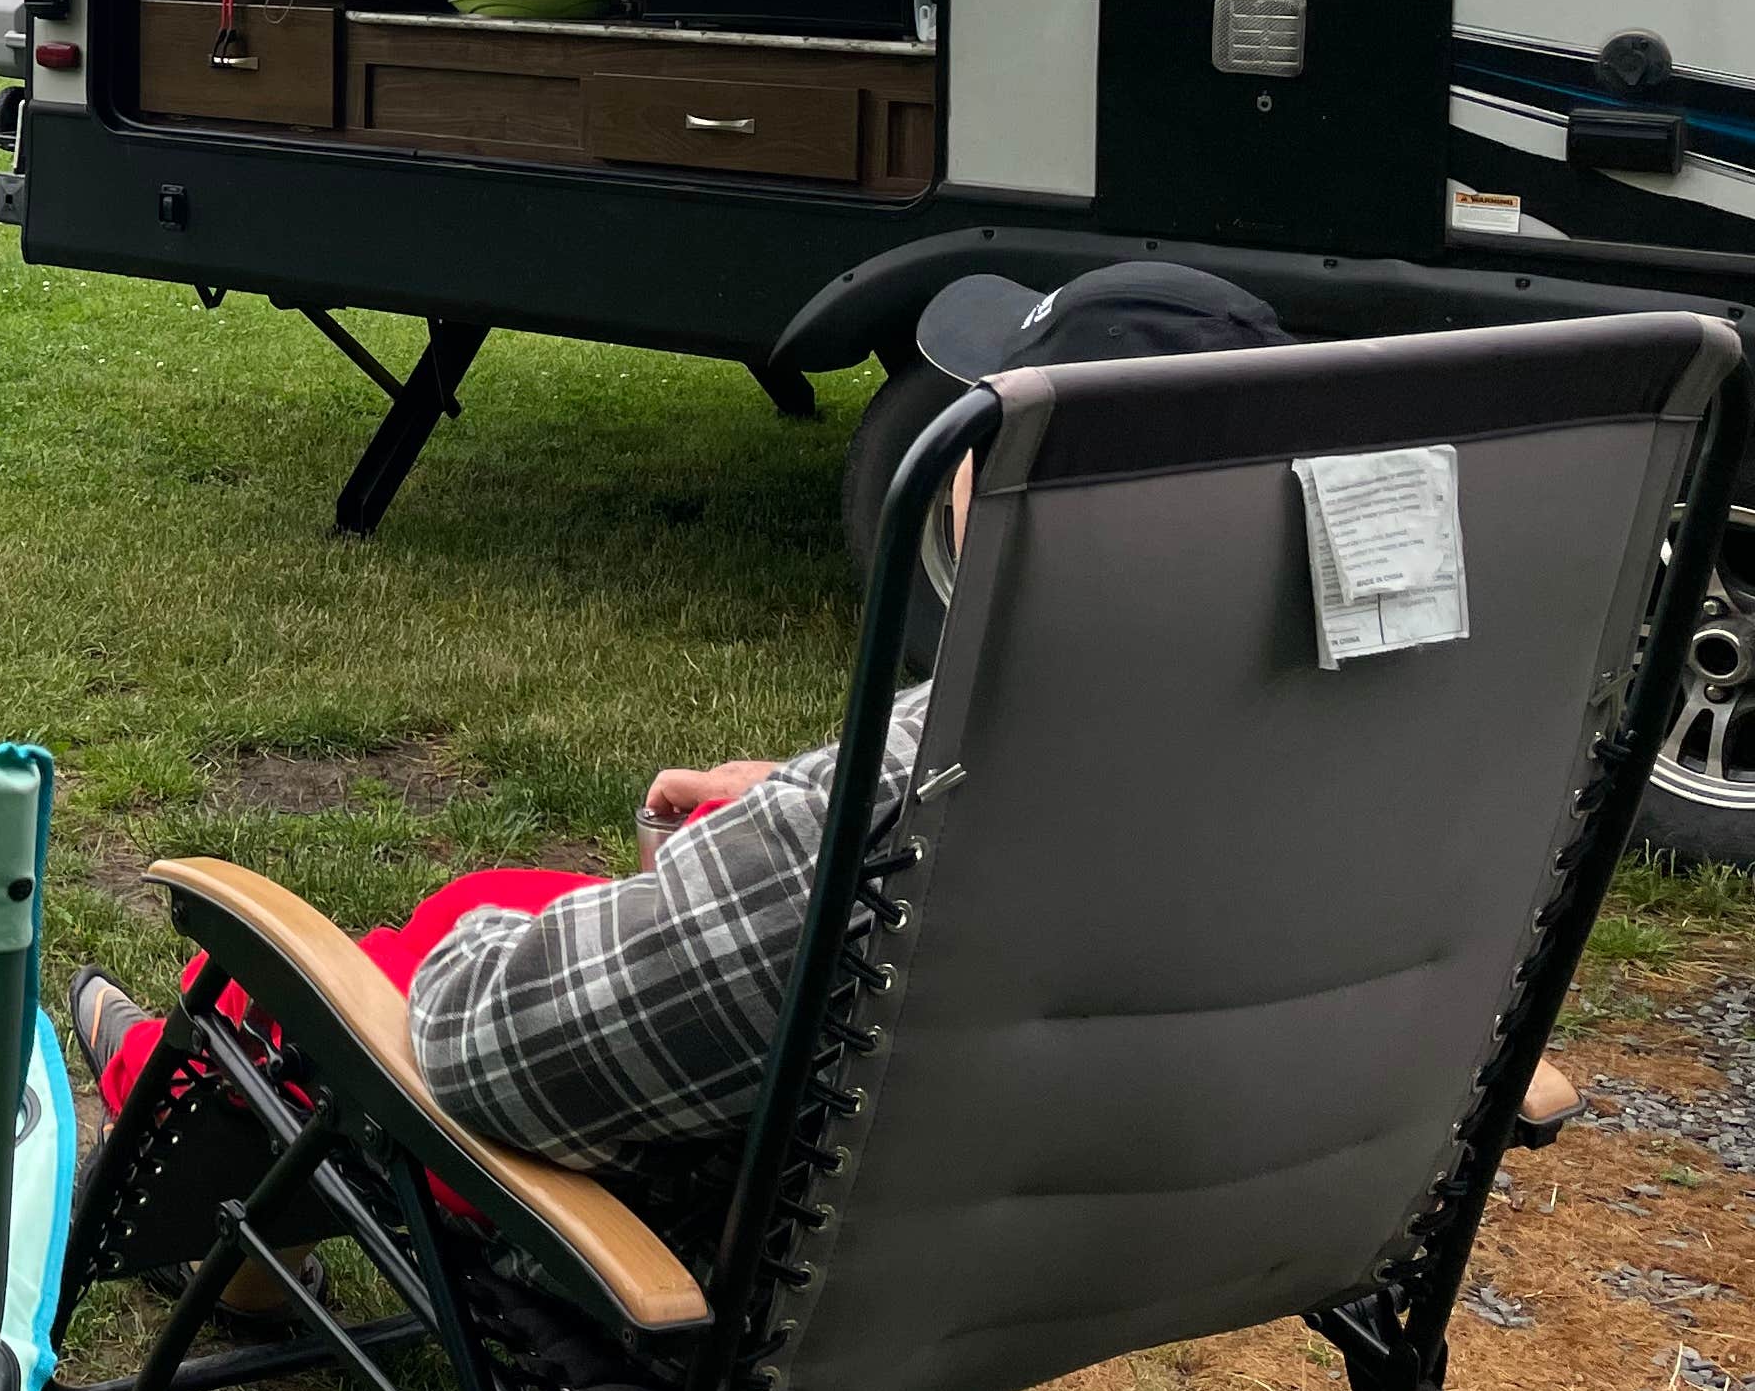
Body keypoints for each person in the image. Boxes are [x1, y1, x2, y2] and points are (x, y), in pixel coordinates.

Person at [71, 263, 1297, 1197]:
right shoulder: (1347, 780)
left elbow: (482, 1053)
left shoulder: (892, 818)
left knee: (358, 964)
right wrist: (771, 806)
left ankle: (168, 1096)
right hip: (1056, 1226)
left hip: (685, 1214)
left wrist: (787, 836)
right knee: (513, 888)